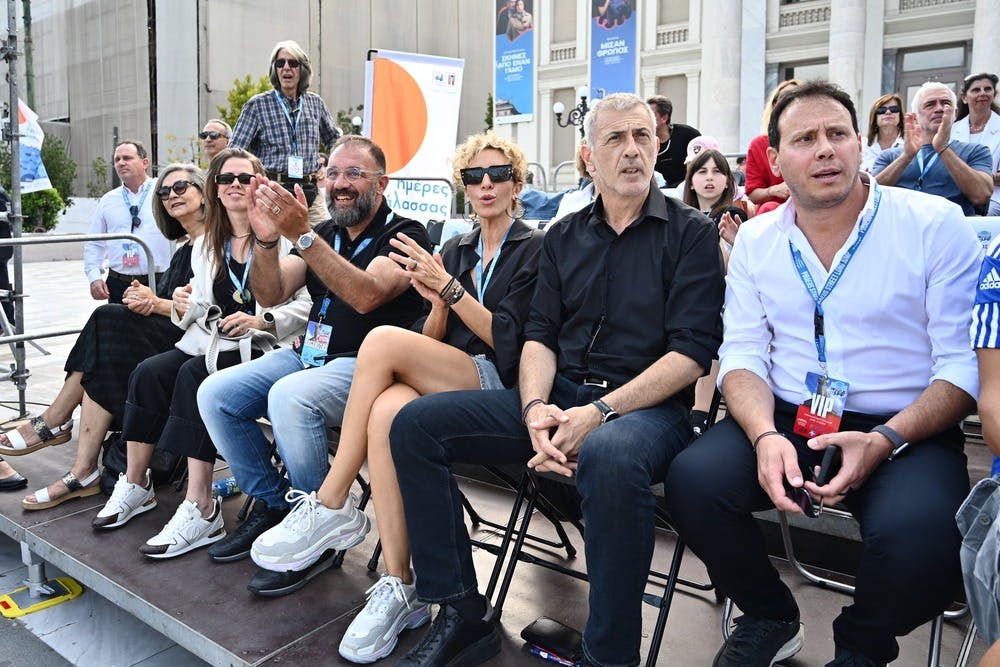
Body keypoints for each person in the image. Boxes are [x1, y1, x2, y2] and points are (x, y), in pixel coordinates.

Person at [389, 93, 724, 667]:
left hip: (647, 412)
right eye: (615, 138)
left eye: (643, 137)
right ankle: (462, 612)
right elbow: (539, 336)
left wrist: (598, 415)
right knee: (415, 425)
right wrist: (536, 408)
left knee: (611, 456)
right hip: (558, 398)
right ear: (588, 157)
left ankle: (610, 655)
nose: (632, 150)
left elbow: (691, 355)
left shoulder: (691, 234)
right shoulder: (564, 236)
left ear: (660, 146)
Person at [664, 80, 981, 667]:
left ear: (861, 145)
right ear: (777, 160)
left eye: (837, 134)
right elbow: (742, 354)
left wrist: (886, 439)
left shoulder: (934, 224)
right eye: (805, 139)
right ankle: (769, 615)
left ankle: (862, 645)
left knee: (923, 537)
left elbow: (962, 369)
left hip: (904, 425)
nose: (825, 149)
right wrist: (762, 435)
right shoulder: (758, 238)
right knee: (693, 482)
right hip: (786, 414)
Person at [248, 132, 544, 662]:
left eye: (498, 175)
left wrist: (451, 291)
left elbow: (512, 345)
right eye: (474, 177)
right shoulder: (455, 247)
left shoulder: (534, 247)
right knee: (386, 410)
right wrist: (436, 302)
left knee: (380, 339)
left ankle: (332, 500)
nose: (486, 186)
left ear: (517, 185)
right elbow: (432, 340)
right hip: (453, 373)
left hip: (505, 380)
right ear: (464, 187)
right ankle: (398, 583)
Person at [196, 135, 431, 595]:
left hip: (368, 369)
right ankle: (277, 505)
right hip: (311, 355)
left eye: (354, 174)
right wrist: (266, 241)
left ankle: (321, 527)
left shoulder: (406, 233)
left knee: (289, 396)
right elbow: (271, 293)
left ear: (381, 183)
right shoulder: (326, 235)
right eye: (333, 174)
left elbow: (367, 296)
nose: (340, 184)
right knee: (216, 394)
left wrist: (301, 235)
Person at [91, 148, 310, 542]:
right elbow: (202, 304)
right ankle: (136, 482)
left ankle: (202, 504)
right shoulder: (209, 244)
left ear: (260, 183)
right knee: (149, 373)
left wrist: (263, 320)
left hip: (262, 346)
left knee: (193, 375)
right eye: (227, 179)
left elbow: (307, 304)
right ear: (216, 189)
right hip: (211, 339)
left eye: (245, 178)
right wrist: (182, 304)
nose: (236, 186)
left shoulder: (285, 238)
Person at [15, 164, 207, 509]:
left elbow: (206, 309)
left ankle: (56, 424)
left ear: (203, 191)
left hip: (195, 346)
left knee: (106, 321)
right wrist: (143, 297)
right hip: (172, 337)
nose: (171, 196)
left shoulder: (214, 244)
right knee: (104, 348)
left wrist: (156, 302)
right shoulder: (185, 247)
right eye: (164, 192)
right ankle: (80, 468)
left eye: (181, 187)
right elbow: (167, 302)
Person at [230, 40, 341, 227]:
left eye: (293, 63)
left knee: (323, 242)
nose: (286, 68)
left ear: (302, 69)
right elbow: (235, 150)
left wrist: (341, 166)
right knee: (277, 249)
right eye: (280, 63)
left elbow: (334, 140)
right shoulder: (257, 105)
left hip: (310, 190)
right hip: (273, 190)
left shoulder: (315, 103)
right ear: (275, 69)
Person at [873, 81, 993, 216]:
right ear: (915, 116)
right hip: (904, 231)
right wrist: (906, 157)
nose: (939, 109)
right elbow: (870, 196)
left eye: (946, 104)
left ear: (955, 113)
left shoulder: (976, 151)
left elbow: (982, 195)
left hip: (950, 231)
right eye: (930, 104)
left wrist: (943, 148)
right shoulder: (889, 156)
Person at [84, 140, 172, 305]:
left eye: (127, 158)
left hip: (160, 283)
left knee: (157, 330)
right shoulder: (108, 200)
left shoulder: (163, 192)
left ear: (144, 163)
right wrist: (94, 276)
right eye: (117, 160)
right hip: (119, 284)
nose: (121, 163)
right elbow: (94, 242)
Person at [746, 79, 801, 212]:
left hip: (812, 211)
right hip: (773, 213)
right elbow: (753, 194)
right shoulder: (759, 144)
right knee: (769, 207)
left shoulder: (818, 144)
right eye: (783, 98)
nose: (789, 103)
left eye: (796, 97)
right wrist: (773, 191)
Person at [953, 72, 1000, 215]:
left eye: (988, 89)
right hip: (956, 195)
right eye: (976, 90)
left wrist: (981, 179)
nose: (983, 93)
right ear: (964, 98)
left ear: (994, 94)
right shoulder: (952, 129)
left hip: (994, 197)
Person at [647, 94, 701, 188]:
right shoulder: (644, 141)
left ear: (664, 118)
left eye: (650, 115)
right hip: (658, 194)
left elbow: (701, 165)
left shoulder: (689, 135)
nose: (646, 119)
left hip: (687, 191)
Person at [861, 94, 904, 173]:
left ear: (900, 115)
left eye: (894, 109)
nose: (888, 112)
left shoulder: (909, 144)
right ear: (874, 117)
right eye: (881, 110)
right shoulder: (862, 145)